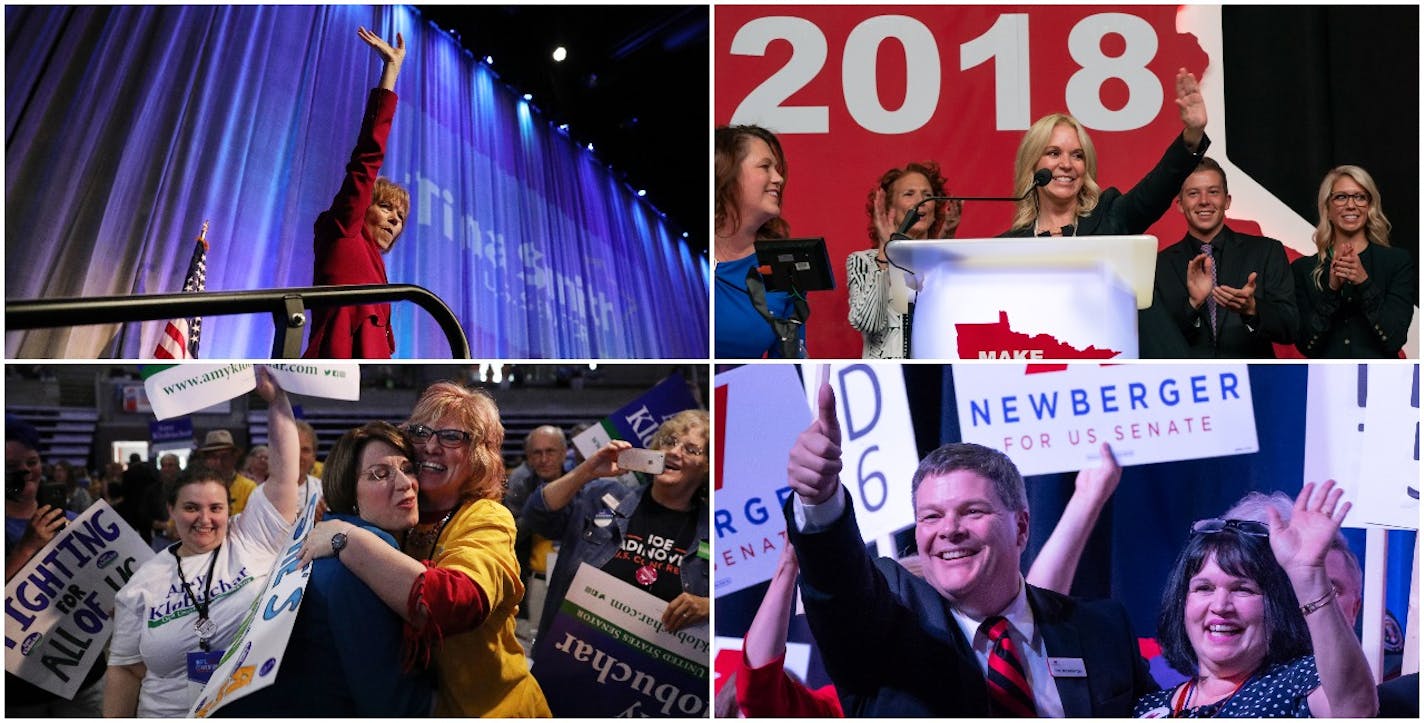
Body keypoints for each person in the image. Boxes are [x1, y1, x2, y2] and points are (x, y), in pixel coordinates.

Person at [783, 382, 1154, 716]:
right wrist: (820, 499)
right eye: (931, 517)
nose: (948, 530)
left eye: (972, 511)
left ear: (1021, 527)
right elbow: (838, 583)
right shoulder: (888, 622)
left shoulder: (1102, 629)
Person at [300, 382, 549, 717]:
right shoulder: (402, 515)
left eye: (451, 437)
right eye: (421, 432)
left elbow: (456, 604)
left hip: (494, 709)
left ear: (479, 454)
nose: (431, 446)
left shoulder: (487, 517)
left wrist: (347, 537)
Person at [104, 370, 300, 717]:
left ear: (230, 510)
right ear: (172, 511)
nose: (204, 519)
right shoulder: (143, 583)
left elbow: (284, 472)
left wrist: (277, 401)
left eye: (215, 508)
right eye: (191, 508)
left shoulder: (250, 537)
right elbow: (126, 670)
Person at [218, 423, 432, 716]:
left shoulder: (322, 534)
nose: (405, 483)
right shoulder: (365, 550)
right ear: (347, 491)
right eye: (379, 474)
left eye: (407, 468)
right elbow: (386, 699)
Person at [1135, 481, 1378, 717]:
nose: (1220, 606)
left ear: (1275, 606)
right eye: (1204, 588)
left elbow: (1355, 709)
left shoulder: (1298, 683)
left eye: (1243, 589)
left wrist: (1308, 573)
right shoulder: (1147, 706)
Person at [524, 410, 711, 656]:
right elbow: (537, 514)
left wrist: (710, 607)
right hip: (569, 659)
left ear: (707, 467)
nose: (675, 452)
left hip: (646, 679)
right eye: (670, 442)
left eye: (691, 449)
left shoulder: (712, 532)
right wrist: (587, 471)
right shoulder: (600, 497)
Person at [304, 27, 411, 359]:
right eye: (385, 207)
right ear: (363, 205)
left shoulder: (379, 272)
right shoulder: (343, 229)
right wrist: (390, 72)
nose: (395, 220)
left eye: (401, 217)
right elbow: (368, 156)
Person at [1001, 68, 1209, 238]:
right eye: (1054, 153)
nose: (1067, 164)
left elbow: (1158, 187)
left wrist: (1193, 134)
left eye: (1077, 155)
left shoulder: (1111, 217)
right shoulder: (1009, 246)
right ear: (1033, 164)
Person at [6, 416, 106, 716]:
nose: (25, 471)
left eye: (32, 461)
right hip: (19, 685)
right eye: (12, 466)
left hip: (84, 673)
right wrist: (27, 547)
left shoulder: (74, 520)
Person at [1152, 157, 1297, 357]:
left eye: (1213, 192)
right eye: (1193, 193)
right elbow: (1154, 340)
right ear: (1179, 204)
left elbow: (1290, 328)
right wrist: (1192, 305)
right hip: (1189, 384)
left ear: (1227, 201)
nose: (1204, 201)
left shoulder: (1267, 251)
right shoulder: (1159, 265)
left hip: (1253, 381)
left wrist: (1252, 310)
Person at [1292, 165, 1417, 358]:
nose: (1351, 205)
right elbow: (1306, 346)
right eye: (1341, 197)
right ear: (1328, 208)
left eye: (1360, 197)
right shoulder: (1302, 269)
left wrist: (1364, 283)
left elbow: (1395, 339)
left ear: (1369, 206)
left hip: (1381, 381)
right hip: (1326, 383)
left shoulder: (1397, 262)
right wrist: (1331, 290)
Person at [848, 162, 962, 359]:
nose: (921, 201)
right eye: (909, 194)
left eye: (927, 195)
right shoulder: (863, 261)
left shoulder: (949, 263)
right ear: (889, 208)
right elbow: (869, 323)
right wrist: (886, 252)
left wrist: (944, 243)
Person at [714, 125, 804, 358]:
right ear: (725, 173)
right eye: (765, 167)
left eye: (777, 168)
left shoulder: (786, 267)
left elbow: (787, 365)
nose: (779, 178)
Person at [195, 429, 258, 514]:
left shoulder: (248, 488)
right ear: (205, 460)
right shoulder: (194, 487)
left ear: (234, 458)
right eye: (213, 457)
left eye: (225, 456)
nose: (218, 462)